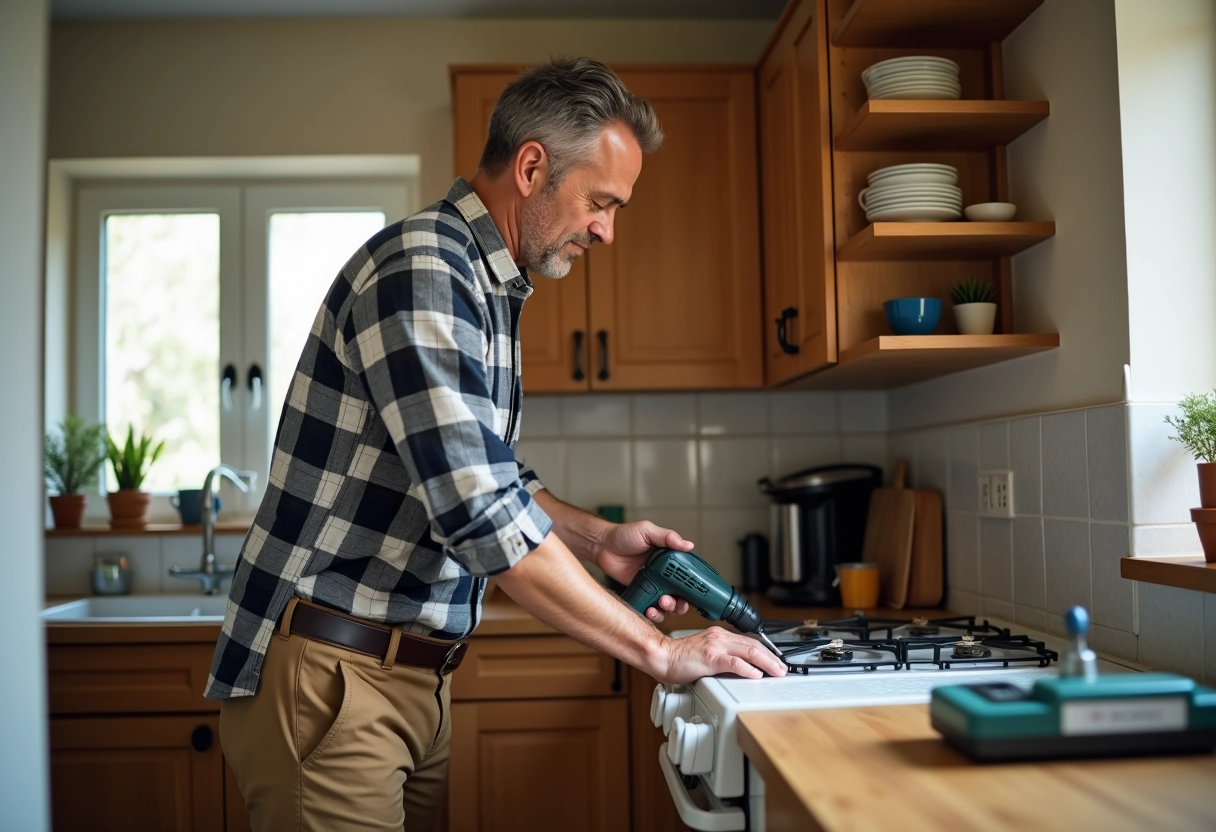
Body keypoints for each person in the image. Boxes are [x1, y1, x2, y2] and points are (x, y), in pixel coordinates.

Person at [207, 56, 786, 832]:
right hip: (335, 678)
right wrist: (663, 652)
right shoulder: (424, 268)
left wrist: (596, 540)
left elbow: (491, 475)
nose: (607, 231)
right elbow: (482, 518)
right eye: (601, 203)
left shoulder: (487, 285)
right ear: (532, 167)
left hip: (405, 679)